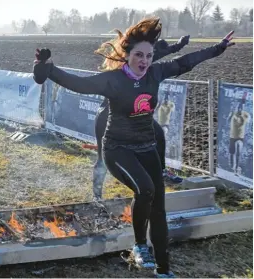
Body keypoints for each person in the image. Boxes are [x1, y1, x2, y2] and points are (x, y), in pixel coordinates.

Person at [32, 17, 235, 278]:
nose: (145, 61)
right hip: (117, 150)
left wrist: (218, 48)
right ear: (127, 55)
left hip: (146, 147)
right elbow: (79, 84)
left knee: (159, 209)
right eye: (139, 55)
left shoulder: (155, 73)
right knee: (146, 189)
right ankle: (139, 245)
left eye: (149, 56)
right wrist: (49, 67)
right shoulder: (113, 80)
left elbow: (186, 62)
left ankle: (164, 270)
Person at [93, 37, 189, 199]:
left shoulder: (145, 61)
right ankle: (97, 195)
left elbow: (163, 54)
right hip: (107, 115)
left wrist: (179, 46)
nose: (145, 60)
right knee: (102, 159)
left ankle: (162, 170)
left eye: (150, 55)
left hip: (133, 116)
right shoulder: (127, 63)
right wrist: (177, 46)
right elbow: (160, 53)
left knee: (157, 132)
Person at [227, 97, 251, 175]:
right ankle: (231, 166)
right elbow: (227, 121)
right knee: (231, 152)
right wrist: (230, 116)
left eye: (241, 107)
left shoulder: (246, 114)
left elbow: (249, 121)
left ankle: (237, 168)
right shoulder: (233, 113)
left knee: (238, 152)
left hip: (240, 137)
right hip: (232, 136)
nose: (240, 108)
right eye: (239, 107)